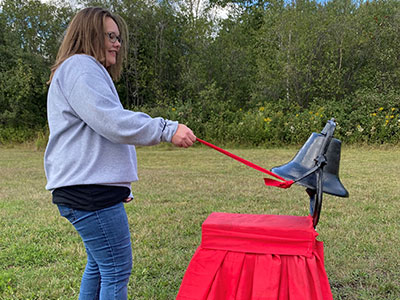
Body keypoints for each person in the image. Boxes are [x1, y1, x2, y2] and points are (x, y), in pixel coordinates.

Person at [44, 7, 196, 300]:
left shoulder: (81, 69)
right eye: (110, 36)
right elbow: (112, 122)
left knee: (100, 267)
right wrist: (166, 128)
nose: (117, 43)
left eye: (119, 37)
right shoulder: (80, 67)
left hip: (87, 188)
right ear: (89, 35)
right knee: (115, 269)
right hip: (88, 192)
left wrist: (117, 184)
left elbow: (99, 131)